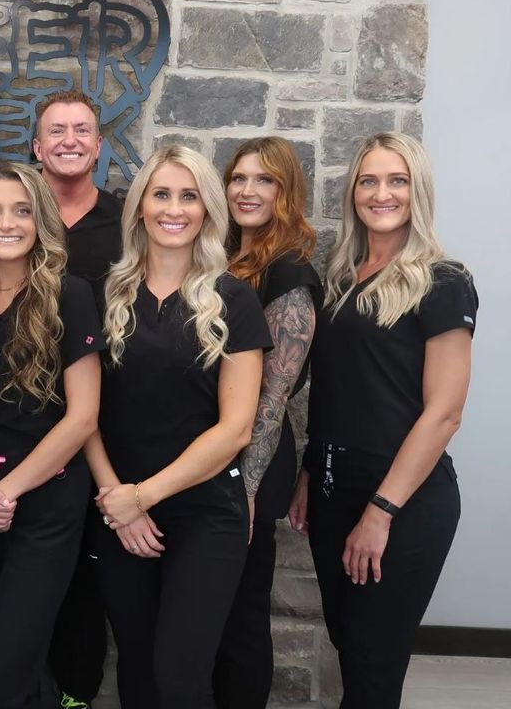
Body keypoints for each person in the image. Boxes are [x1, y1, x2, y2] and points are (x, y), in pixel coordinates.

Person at [288, 132, 476, 708]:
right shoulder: (343, 277)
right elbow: (340, 390)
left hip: (404, 502)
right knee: (351, 646)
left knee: (373, 668)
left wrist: (381, 510)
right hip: (331, 491)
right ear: (353, 193)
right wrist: (306, 474)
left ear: (417, 191)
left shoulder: (443, 281)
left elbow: (444, 414)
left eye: (397, 181)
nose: (382, 193)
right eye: (369, 180)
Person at [88, 145, 271, 708]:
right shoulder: (104, 295)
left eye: (189, 196)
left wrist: (144, 496)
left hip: (204, 514)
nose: (174, 208)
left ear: (208, 210)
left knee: (180, 677)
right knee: (138, 675)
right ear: (139, 206)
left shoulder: (234, 302)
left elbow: (236, 430)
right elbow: (83, 414)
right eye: (161, 194)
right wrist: (118, 499)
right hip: (117, 512)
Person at [0, 161, 103, 709]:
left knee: (6, 667)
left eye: (21, 210)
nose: (6, 223)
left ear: (41, 219)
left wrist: (8, 491)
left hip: (45, 504)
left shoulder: (71, 293)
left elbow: (82, 418)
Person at [212, 137, 321, 708]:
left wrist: (244, 490)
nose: (247, 191)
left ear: (286, 192)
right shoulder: (222, 257)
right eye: (238, 178)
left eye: (264, 180)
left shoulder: (288, 274)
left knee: (240, 613)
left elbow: (273, 399)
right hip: (209, 458)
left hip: (248, 465)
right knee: (207, 611)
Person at [32, 89, 121, 709]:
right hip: (16, 429)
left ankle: (76, 698)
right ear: (35, 147)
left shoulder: (127, 224)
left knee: (90, 577)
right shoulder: (4, 217)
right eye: (56, 130)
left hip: (104, 427)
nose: (69, 140)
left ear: (98, 145)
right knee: (24, 577)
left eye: (81, 130)